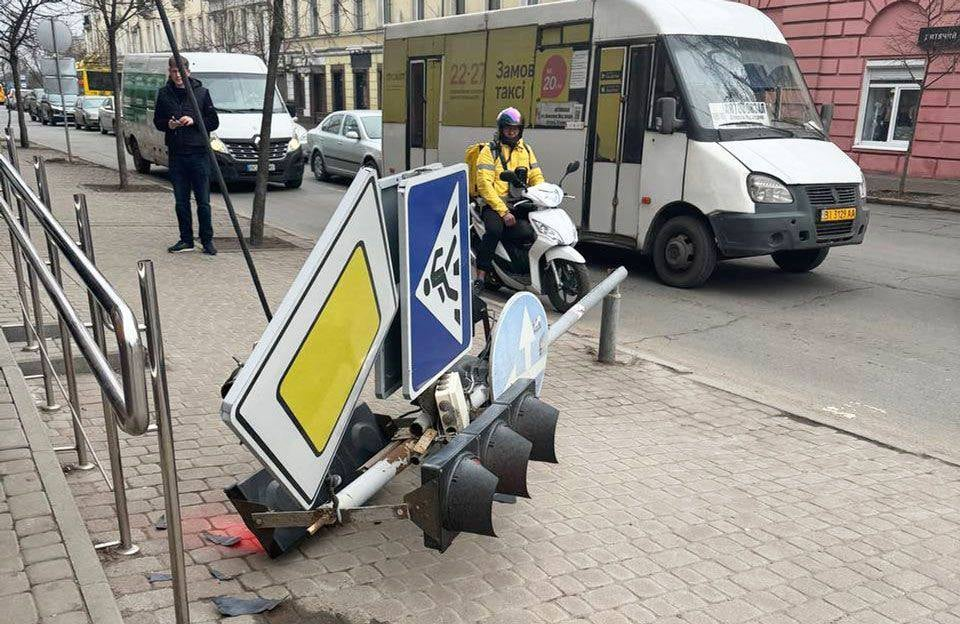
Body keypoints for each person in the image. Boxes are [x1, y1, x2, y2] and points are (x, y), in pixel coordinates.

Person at [153, 56, 220, 255]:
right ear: (170, 72)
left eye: (181, 72)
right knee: (181, 201)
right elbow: (158, 121)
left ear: (188, 72)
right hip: (177, 154)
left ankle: (207, 240)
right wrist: (169, 124)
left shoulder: (201, 93)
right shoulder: (164, 94)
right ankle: (186, 239)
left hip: (199, 153)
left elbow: (213, 122)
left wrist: (194, 120)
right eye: (174, 72)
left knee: (203, 202)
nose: (177, 76)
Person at [474, 107, 543, 288]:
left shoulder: (526, 150)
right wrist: (503, 212)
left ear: (520, 130)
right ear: (501, 129)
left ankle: (521, 267)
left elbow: (536, 176)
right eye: (508, 128)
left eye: (516, 128)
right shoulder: (490, 151)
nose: (512, 131)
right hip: (494, 205)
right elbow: (484, 185)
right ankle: (481, 275)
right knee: (494, 231)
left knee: (531, 231)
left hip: (520, 203)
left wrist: (543, 193)